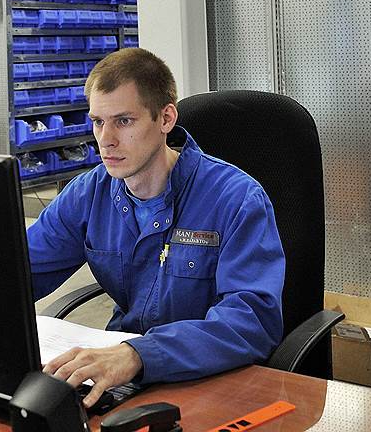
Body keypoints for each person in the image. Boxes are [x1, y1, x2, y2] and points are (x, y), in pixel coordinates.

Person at [27, 48, 285, 408]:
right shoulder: (89, 193)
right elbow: (18, 272)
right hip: (121, 380)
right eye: (98, 122)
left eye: (123, 121)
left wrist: (138, 355)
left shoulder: (236, 199)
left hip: (212, 381)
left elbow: (250, 322)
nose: (106, 139)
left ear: (165, 118)